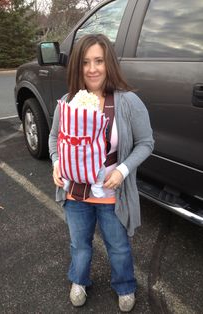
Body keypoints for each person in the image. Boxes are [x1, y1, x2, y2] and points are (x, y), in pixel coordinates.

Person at [49, 34, 154, 312]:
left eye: (98, 61)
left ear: (109, 64)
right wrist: (57, 163)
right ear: (77, 66)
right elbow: (54, 138)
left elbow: (146, 143)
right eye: (85, 62)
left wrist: (121, 170)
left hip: (111, 193)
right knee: (79, 245)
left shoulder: (128, 102)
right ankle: (79, 281)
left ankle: (125, 285)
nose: (92, 68)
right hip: (76, 193)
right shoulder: (68, 101)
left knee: (118, 246)